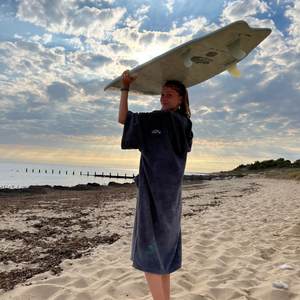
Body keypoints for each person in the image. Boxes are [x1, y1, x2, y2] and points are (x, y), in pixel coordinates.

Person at [118, 69, 193, 300]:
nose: (163, 98)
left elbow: (124, 119)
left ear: (181, 99)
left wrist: (125, 87)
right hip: (172, 198)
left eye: (169, 94)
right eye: (162, 94)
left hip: (153, 195)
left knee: (150, 253)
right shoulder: (186, 124)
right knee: (165, 253)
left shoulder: (161, 118)